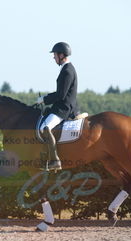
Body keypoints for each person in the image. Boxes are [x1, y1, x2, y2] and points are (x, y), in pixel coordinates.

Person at [36, 42, 78, 171]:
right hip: (62, 105)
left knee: (45, 127)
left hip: (64, 108)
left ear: (61, 55)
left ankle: (55, 160)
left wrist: (44, 99)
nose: (53, 57)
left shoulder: (67, 70)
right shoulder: (66, 68)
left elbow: (61, 94)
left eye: (54, 55)